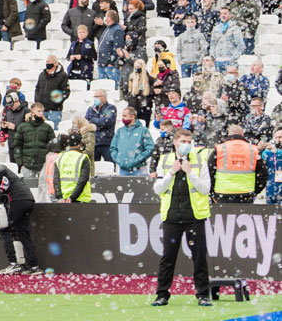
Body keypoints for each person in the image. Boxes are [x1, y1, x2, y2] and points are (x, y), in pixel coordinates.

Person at [152, 129, 213, 307]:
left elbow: (205, 189)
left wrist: (190, 173)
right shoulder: (164, 160)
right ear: (175, 142)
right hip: (171, 216)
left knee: (199, 256)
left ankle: (203, 294)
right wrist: (171, 173)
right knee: (167, 257)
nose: (186, 145)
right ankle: (162, 294)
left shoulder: (199, 160)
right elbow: (158, 189)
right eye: (183, 141)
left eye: (189, 141)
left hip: (194, 216)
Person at [0, 158, 41, 274]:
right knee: (23, 234)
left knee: (4, 229)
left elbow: (0, 170)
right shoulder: (3, 174)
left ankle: (13, 264)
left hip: (17, 201)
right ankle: (35, 266)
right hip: (27, 200)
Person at [210, 124, 267, 203]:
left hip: (223, 194)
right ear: (242, 134)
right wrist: (255, 191)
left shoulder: (220, 148)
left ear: (229, 134)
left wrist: (212, 193)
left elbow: (210, 172)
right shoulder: (253, 149)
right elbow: (263, 174)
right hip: (246, 194)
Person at [110, 106, 153, 176]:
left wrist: (137, 160)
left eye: (125, 116)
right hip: (123, 170)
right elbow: (113, 148)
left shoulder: (143, 130)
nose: (122, 118)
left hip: (139, 169)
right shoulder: (120, 131)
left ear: (132, 117)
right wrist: (119, 160)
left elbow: (150, 148)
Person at [54, 132, 92, 203]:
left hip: (64, 199)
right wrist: (72, 197)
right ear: (79, 144)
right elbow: (82, 180)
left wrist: (60, 197)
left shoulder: (60, 157)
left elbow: (56, 180)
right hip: (80, 198)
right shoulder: (83, 158)